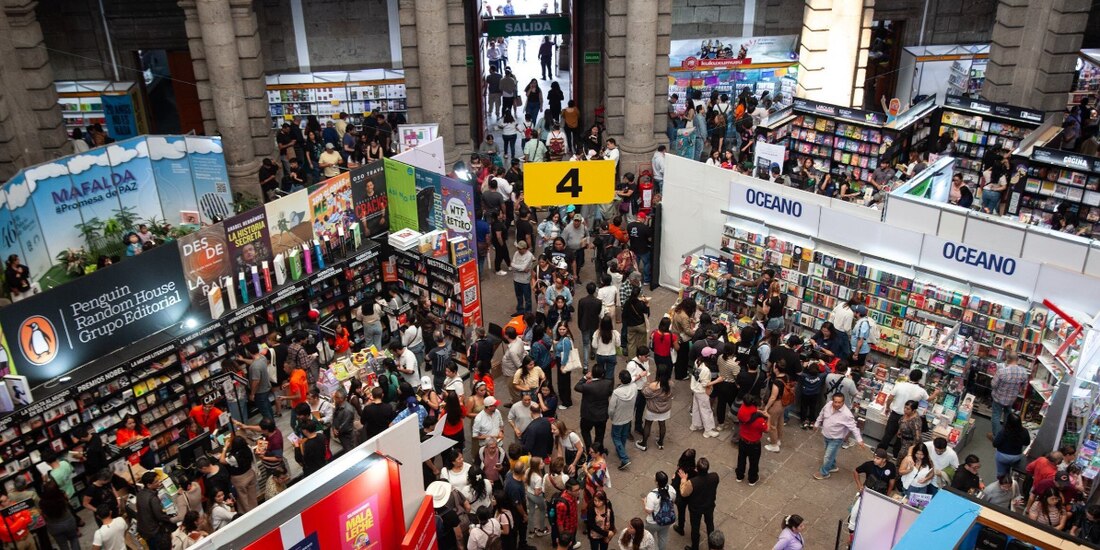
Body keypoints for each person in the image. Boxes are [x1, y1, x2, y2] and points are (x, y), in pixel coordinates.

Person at [880, 369, 935, 458]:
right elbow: (929, 399)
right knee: (901, 437)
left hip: (895, 414)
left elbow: (890, 398)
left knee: (888, 434)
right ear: (920, 379)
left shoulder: (899, 385)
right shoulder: (921, 391)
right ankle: (896, 455)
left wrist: (887, 407)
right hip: (909, 418)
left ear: (909, 376)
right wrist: (936, 393)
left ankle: (880, 452)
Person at [812, 393, 866, 480]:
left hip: (836, 439)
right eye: (835, 402)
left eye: (839, 402)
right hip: (826, 435)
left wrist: (859, 440)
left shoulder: (847, 414)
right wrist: (817, 423)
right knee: (830, 454)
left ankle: (824, 473)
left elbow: (854, 428)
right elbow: (821, 414)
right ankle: (832, 466)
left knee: (827, 456)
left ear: (843, 402)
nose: (837, 404)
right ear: (832, 401)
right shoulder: (828, 405)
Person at [679, 457, 719, 550]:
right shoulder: (715, 476)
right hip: (709, 505)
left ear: (697, 469)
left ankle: (695, 547)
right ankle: (712, 546)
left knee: (695, 528)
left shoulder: (692, 483)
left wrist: (683, 480)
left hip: (696, 508)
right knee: (710, 525)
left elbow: (684, 493)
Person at [989, 351, 1028, 440]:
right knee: (1008, 416)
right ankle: (1006, 435)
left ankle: (996, 437)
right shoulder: (1023, 372)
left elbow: (993, 385)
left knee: (996, 416)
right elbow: (1024, 387)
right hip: (1011, 399)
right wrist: (1017, 390)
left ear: (1008, 359)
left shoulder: (1002, 371)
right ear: (1017, 359)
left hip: (998, 398)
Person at [575, 364, 614, 450]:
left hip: (588, 415)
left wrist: (585, 377)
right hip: (602, 415)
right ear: (602, 374)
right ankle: (597, 450)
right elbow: (609, 393)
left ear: (592, 373)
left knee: (585, 432)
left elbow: (577, 387)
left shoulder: (587, 386)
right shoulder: (608, 383)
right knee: (600, 435)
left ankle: (589, 449)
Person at [135, 471, 174, 550]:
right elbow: (159, 516)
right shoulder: (152, 498)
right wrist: (171, 518)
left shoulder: (140, 494)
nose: (159, 482)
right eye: (156, 481)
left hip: (144, 530)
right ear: (149, 485)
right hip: (153, 531)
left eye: (158, 480)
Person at [608, 370, 637, 470]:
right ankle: (621, 450)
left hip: (618, 419)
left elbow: (611, 409)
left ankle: (624, 458)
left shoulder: (616, 392)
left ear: (621, 379)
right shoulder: (634, 387)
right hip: (628, 417)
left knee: (615, 437)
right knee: (624, 436)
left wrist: (611, 417)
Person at [993, 412, 1030, 478]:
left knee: (1001, 473)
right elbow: (1027, 443)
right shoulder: (1024, 431)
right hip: (1016, 457)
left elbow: (995, 444)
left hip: (1002, 456)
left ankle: (1001, 478)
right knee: (1011, 470)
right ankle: (1010, 477)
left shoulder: (1003, 431)